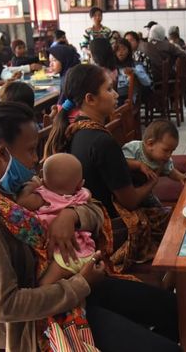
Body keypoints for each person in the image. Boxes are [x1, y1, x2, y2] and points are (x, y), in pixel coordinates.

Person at [0, 101, 180, 351]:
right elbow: (6, 306)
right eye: (30, 150)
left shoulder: (17, 189)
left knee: (173, 309)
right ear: (2, 154)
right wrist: (81, 284)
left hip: (73, 292)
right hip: (41, 324)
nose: (36, 159)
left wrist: (71, 215)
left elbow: (92, 206)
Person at [44, 64, 170, 267]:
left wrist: (132, 165)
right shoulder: (102, 142)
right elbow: (130, 202)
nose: (115, 95)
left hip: (88, 225)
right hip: (111, 231)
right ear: (90, 99)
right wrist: (153, 181)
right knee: (178, 226)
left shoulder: (73, 130)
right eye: (109, 89)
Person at [16, 153, 96, 286]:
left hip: (65, 256)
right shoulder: (81, 194)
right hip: (83, 251)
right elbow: (88, 196)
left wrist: (34, 184)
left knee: (44, 285)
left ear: (42, 176)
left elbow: (22, 202)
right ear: (80, 184)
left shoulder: (44, 197)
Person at [122, 120, 186, 196]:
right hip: (127, 193)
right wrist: (139, 165)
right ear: (150, 144)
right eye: (166, 150)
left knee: (159, 206)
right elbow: (121, 162)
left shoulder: (163, 160)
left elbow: (170, 171)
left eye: (171, 151)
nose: (169, 155)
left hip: (146, 194)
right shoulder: (134, 148)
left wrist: (182, 177)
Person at [114, 38, 152, 106]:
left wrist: (134, 71)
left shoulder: (135, 65)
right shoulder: (112, 67)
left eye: (123, 49)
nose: (120, 52)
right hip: (113, 96)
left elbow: (147, 82)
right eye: (117, 50)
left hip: (128, 99)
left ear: (128, 51)